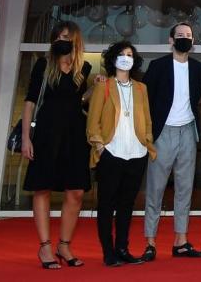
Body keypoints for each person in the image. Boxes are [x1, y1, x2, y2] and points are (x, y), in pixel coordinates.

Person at [23, 21, 92, 269]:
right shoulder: (43, 65)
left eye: (68, 37)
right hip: (46, 133)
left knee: (76, 191)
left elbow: (78, 101)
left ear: (76, 41)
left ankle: (64, 244)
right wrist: (25, 138)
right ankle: (45, 247)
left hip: (74, 135)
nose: (64, 41)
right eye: (60, 37)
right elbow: (30, 102)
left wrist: (93, 90)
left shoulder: (83, 67)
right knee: (42, 188)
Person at [139, 22, 201, 260]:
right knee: (155, 189)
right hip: (163, 132)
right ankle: (150, 242)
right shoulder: (157, 67)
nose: (184, 38)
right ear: (171, 40)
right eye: (180, 35)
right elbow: (145, 101)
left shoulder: (198, 69)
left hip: (188, 131)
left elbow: (198, 100)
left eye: (188, 35)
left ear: (193, 42)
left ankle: (181, 240)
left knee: (185, 189)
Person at [89, 41, 155, 267]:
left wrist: (146, 143)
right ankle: (108, 252)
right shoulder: (103, 85)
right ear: (113, 59)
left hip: (136, 154)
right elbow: (93, 123)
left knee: (127, 205)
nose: (126, 58)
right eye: (121, 54)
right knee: (106, 204)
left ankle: (122, 248)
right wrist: (100, 147)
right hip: (111, 153)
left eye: (130, 54)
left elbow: (147, 119)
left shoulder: (140, 88)